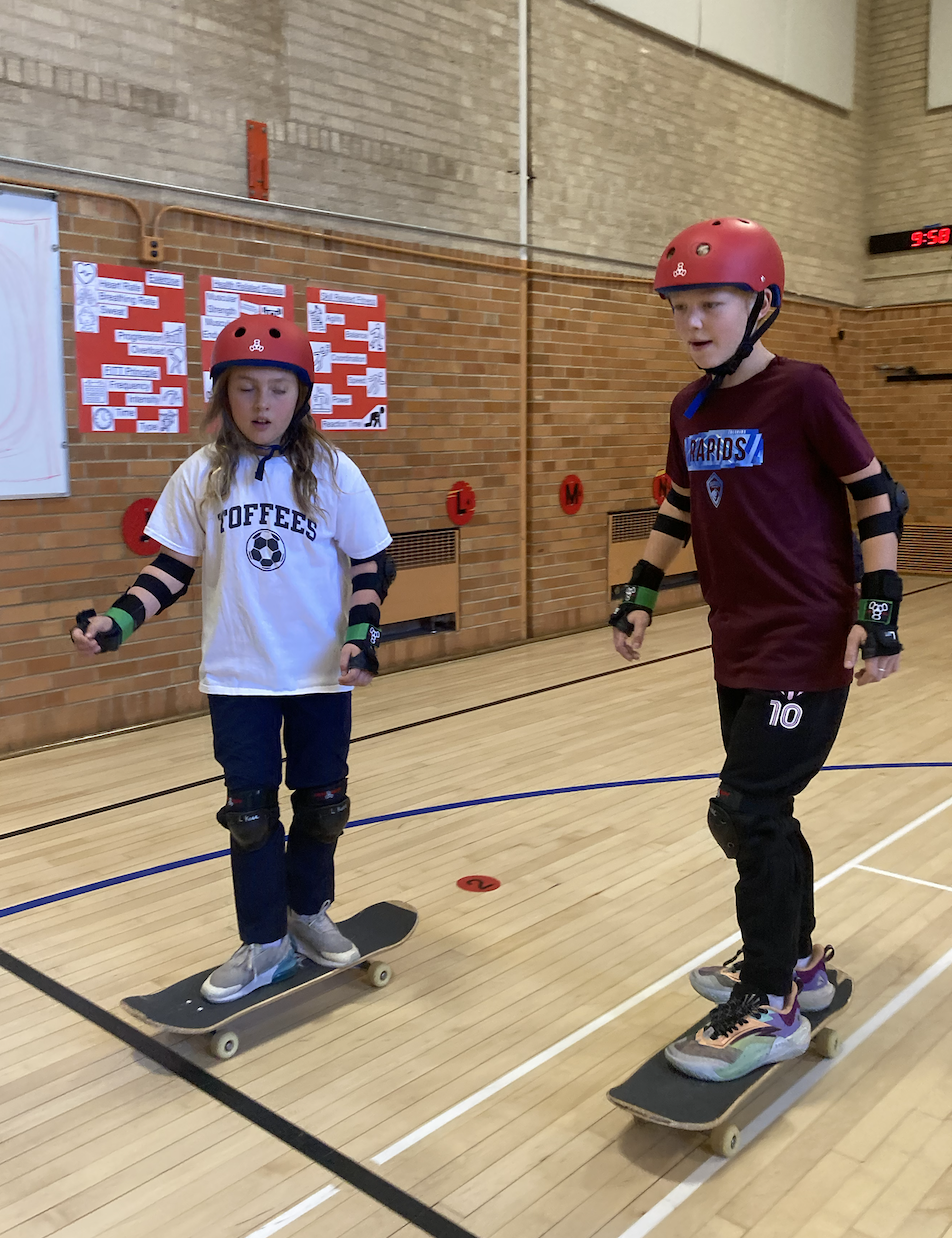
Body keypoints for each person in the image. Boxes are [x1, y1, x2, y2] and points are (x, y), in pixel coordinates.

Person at [610, 218, 904, 1082]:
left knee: (747, 809)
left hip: (807, 637)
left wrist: (880, 609)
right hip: (734, 639)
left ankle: (770, 1004)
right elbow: (679, 505)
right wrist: (641, 590)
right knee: (756, 813)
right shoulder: (689, 406)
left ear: (762, 304)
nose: (693, 323)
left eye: (713, 304)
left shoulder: (805, 390)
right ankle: (798, 963)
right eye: (679, 308)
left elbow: (875, 494)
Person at [72, 316, 396, 1003]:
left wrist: (362, 635)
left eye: (278, 388)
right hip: (238, 673)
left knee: (323, 805)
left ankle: (308, 914)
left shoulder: (333, 470)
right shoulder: (202, 474)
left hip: (318, 673)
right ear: (224, 394)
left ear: (300, 396)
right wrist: (117, 622)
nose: (261, 404)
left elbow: (372, 561)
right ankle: (264, 944)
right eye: (245, 387)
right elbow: (171, 568)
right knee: (250, 815)